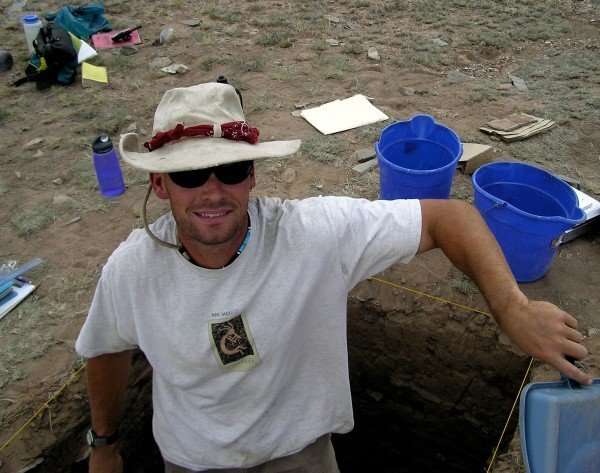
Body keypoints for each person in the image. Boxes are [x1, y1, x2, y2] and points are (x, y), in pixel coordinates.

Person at [75, 82, 591, 473]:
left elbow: (448, 217)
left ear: (252, 174)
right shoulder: (132, 271)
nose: (212, 192)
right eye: (189, 175)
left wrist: (513, 310)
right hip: (191, 462)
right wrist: (105, 443)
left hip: (302, 459)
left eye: (230, 170)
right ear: (160, 185)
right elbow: (106, 348)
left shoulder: (312, 235)